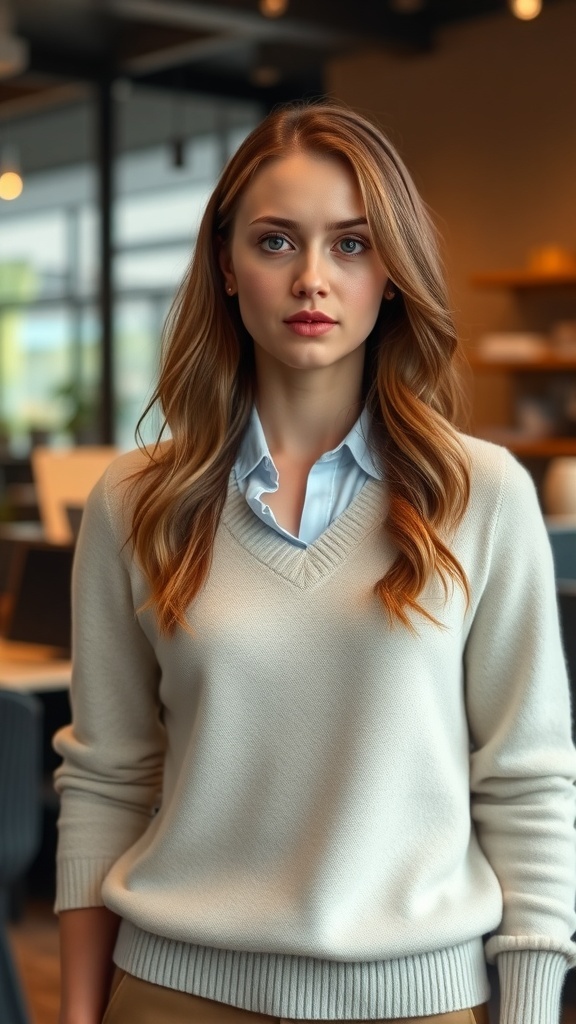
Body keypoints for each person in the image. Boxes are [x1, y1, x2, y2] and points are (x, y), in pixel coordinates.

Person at [54, 102, 576, 1024]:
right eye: (275, 241)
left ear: (393, 274)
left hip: (421, 1003)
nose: (310, 279)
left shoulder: (482, 494)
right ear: (226, 265)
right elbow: (107, 780)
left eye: (350, 245)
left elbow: (527, 782)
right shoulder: (134, 502)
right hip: (173, 996)